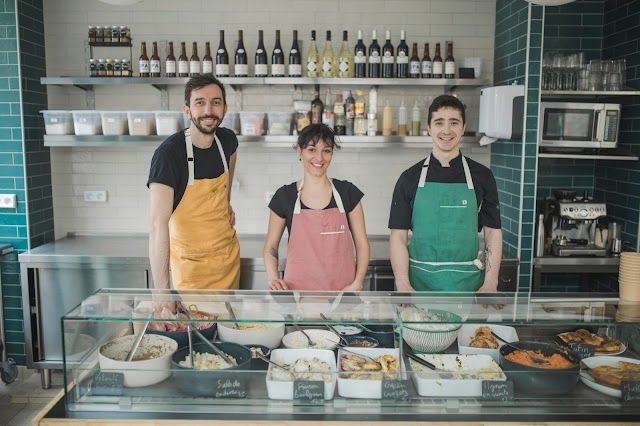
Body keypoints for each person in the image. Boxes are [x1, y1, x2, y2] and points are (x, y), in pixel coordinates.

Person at [388, 95, 502, 295]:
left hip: (467, 285)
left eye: (454, 122)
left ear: (463, 127)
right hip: (417, 285)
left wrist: (491, 282)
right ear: (429, 128)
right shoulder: (409, 178)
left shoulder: (483, 176)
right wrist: (403, 283)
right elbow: (398, 236)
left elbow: (492, 233)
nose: (447, 130)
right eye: (439, 122)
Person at [148, 74, 240, 294]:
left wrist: (226, 202)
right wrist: (161, 293)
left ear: (224, 109)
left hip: (227, 259)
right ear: (187, 110)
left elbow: (231, 165)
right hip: (191, 267)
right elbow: (156, 227)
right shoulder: (169, 155)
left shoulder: (227, 141)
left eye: (215, 102)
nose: (209, 110)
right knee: (197, 327)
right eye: (200, 103)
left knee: (230, 326)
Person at [263, 123, 370, 292]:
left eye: (326, 150)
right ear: (300, 150)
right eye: (312, 149)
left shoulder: (348, 193)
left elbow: (362, 244)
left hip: (343, 295)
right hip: (298, 297)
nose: (319, 158)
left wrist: (357, 283)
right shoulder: (284, 196)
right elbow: (271, 247)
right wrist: (273, 277)